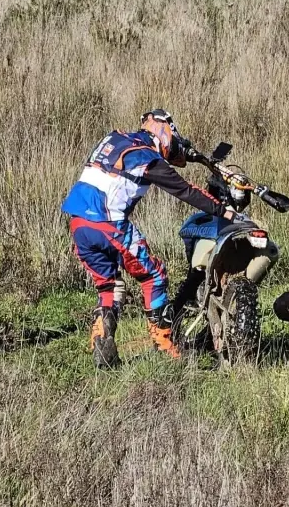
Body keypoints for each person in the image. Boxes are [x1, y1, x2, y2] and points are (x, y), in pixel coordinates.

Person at [61, 109, 235, 366]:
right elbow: (184, 190)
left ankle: (102, 341)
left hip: (78, 223)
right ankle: (164, 343)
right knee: (153, 275)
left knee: (109, 286)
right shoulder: (146, 156)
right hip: (108, 222)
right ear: (163, 129)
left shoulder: (114, 138)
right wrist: (222, 210)